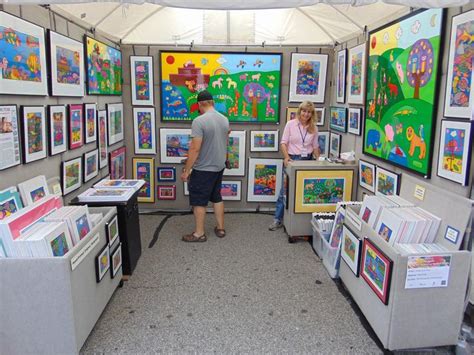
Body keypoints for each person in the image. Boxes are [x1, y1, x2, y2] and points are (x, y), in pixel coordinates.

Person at [180, 90, 230, 242]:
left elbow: (195, 148)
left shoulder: (199, 121)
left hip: (203, 168)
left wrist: (187, 170)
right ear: (212, 103)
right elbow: (225, 142)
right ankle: (220, 228)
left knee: (199, 201)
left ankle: (199, 234)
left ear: (200, 105)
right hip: (219, 166)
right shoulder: (224, 119)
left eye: (198, 107)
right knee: (217, 197)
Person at [269, 100, 320, 231]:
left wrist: (320, 160)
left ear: (312, 114)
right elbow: (283, 143)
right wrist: (286, 157)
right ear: (299, 111)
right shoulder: (290, 124)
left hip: (307, 161)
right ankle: (277, 219)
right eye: (304, 111)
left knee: (305, 192)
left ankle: (301, 222)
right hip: (292, 160)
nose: (306, 114)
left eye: (309, 112)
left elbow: (315, 147)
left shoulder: (314, 128)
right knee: (285, 191)